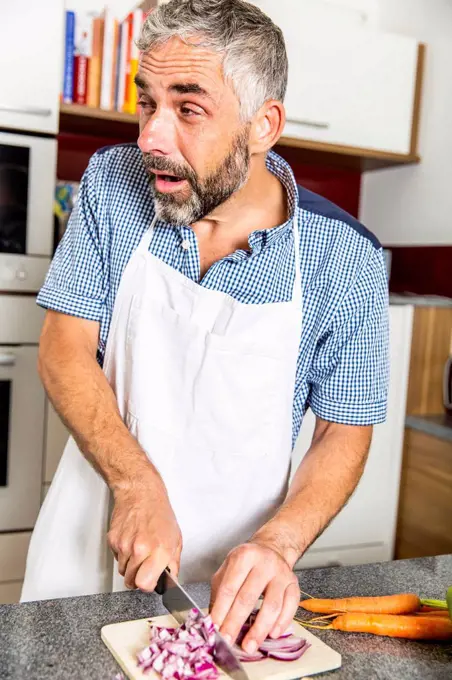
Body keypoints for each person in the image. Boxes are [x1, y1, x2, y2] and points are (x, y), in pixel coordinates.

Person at [22, 0, 389, 656]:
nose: (152, 137)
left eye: (188, 109)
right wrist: (135, 481)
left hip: (228, 588)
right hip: (84, 540)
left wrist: (278, 544)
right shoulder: (112, 186)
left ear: (263, 125)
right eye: (147, 103)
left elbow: (343, 430)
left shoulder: (346, 259)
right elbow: (64, 345)